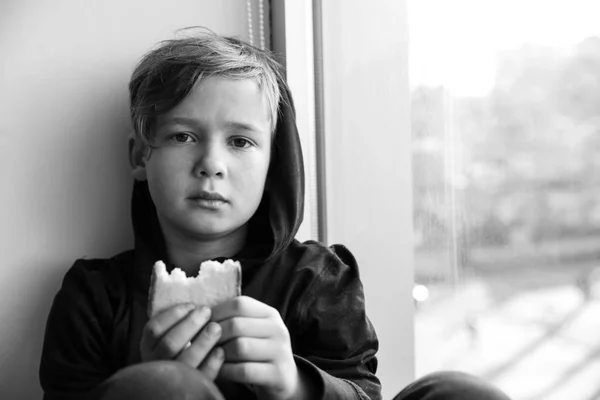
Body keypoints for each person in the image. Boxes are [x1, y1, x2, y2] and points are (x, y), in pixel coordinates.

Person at [39, 29, 512, 400]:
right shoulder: (95, 298)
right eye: (184, 136)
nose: (212, 164)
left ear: (272, 166)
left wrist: (295, 383)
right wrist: (148, 383)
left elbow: (365, 393)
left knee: (460, 392)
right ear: (142, 157)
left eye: (240, 141)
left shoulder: (318, 280)